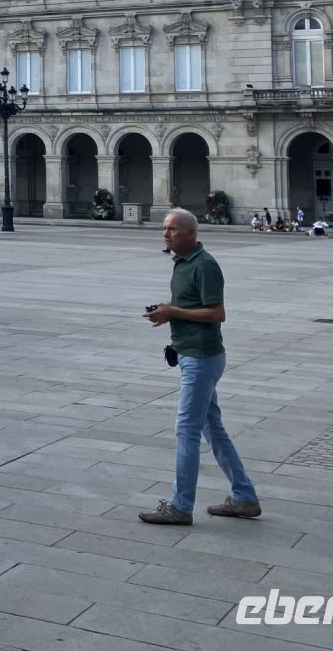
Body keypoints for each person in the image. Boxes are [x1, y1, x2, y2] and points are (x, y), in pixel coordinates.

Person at [139, 208, 261, 525]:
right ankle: (245, 497)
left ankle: (180, 506)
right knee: (213, 429)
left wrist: (172, 312)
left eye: (172, 229)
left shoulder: (204, 265)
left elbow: (217, 313)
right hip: (192, 354)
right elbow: (189, 306)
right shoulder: (182, 263)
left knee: (187, 430)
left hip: (202, 357)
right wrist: (166, 311)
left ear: (191, 233)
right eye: (164, 229)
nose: (165, 234)